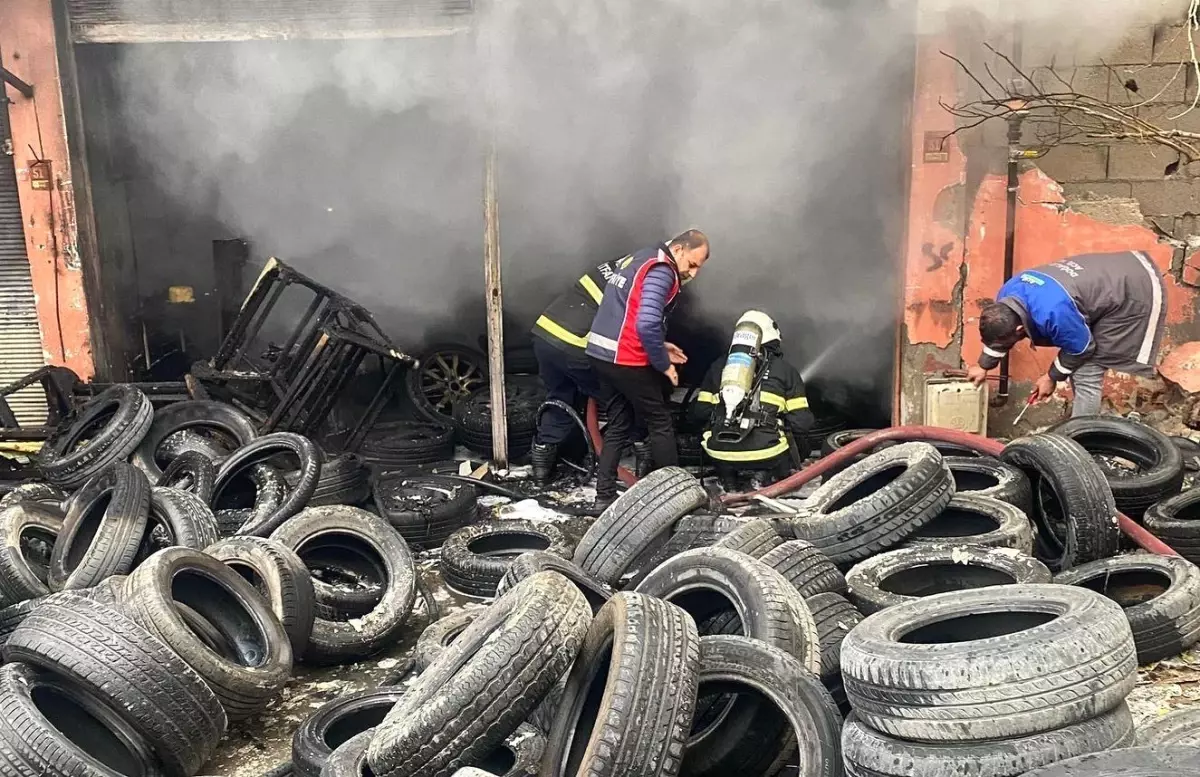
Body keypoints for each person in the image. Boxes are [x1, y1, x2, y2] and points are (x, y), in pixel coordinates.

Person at [586, 230, 710, 509]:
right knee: (660, 422)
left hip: (601, 353)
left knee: (618, 424)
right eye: (692, 264)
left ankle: (603, 495)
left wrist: (661, 345)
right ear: (678, 249)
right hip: (624, 358)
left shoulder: (640, 257)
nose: (694, 273)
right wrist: (662, 364)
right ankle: (677, 498)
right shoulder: (662, 270)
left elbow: (627, 312)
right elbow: (645, 323)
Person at [967, 251, 1167, 417]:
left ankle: (1080, 443)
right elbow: (999, 337)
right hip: (1112, 274)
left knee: (1087, 371)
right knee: (1079, 364)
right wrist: (983, 366)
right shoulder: (1008, 295)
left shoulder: (1054, 312)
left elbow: (1081, 348)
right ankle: (1082, 431)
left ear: (1020, 330)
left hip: (1133, 289)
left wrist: (1051, 377)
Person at [528, 257, 651, 485]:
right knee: (623, 398)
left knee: (561, 396)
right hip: (576, 343)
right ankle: (642, 455)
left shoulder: (616, 265)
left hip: (545, 335)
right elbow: (630, 326)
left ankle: (541, 467)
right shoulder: (643, 276)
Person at [691, 311, 815, 491]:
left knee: (714, 437)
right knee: (796, 439)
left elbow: (698, 414)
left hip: (719, 451)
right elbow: (802, 423)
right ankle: (766, 476)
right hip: (768, 452)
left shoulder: (718, 366)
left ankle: (728, 480)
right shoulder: (786, 370)